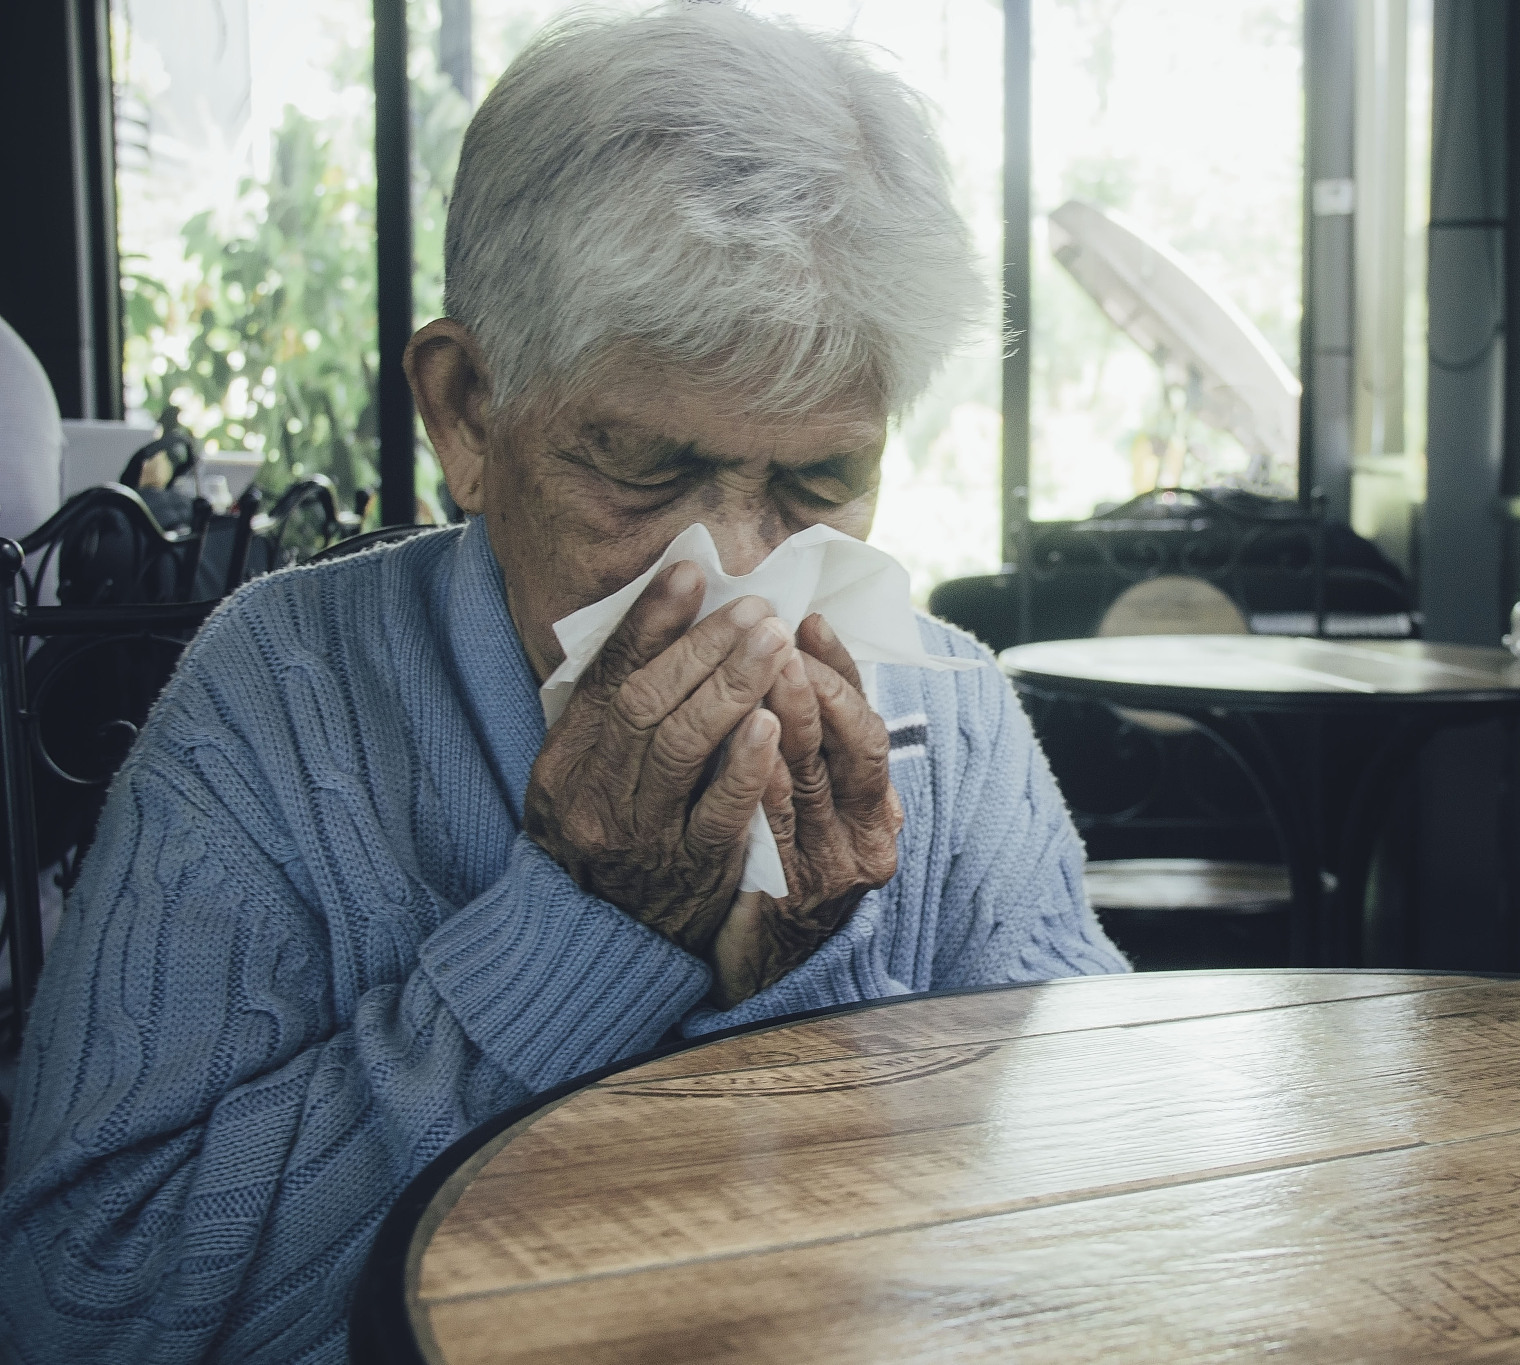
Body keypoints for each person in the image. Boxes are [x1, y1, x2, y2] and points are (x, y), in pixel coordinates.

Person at [0, 8, 1126, 1360]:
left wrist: (795, 1005)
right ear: (469, 412)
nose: (736, 570)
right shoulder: (278, 701)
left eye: (822, 484)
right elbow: (84, 1305)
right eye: (646, 468)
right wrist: (585, 928)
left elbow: (1107, 1204)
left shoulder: (955, 715)